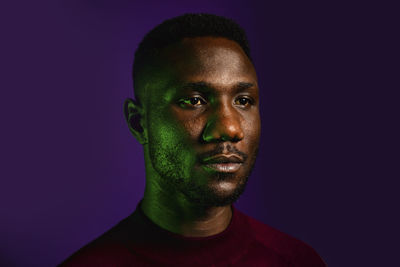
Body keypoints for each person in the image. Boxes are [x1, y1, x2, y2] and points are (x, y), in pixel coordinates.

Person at [60, 13, 326, 266]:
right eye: (194, 101)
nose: (230, 128)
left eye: (243, 101)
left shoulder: (296, 261)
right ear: (139, 123)